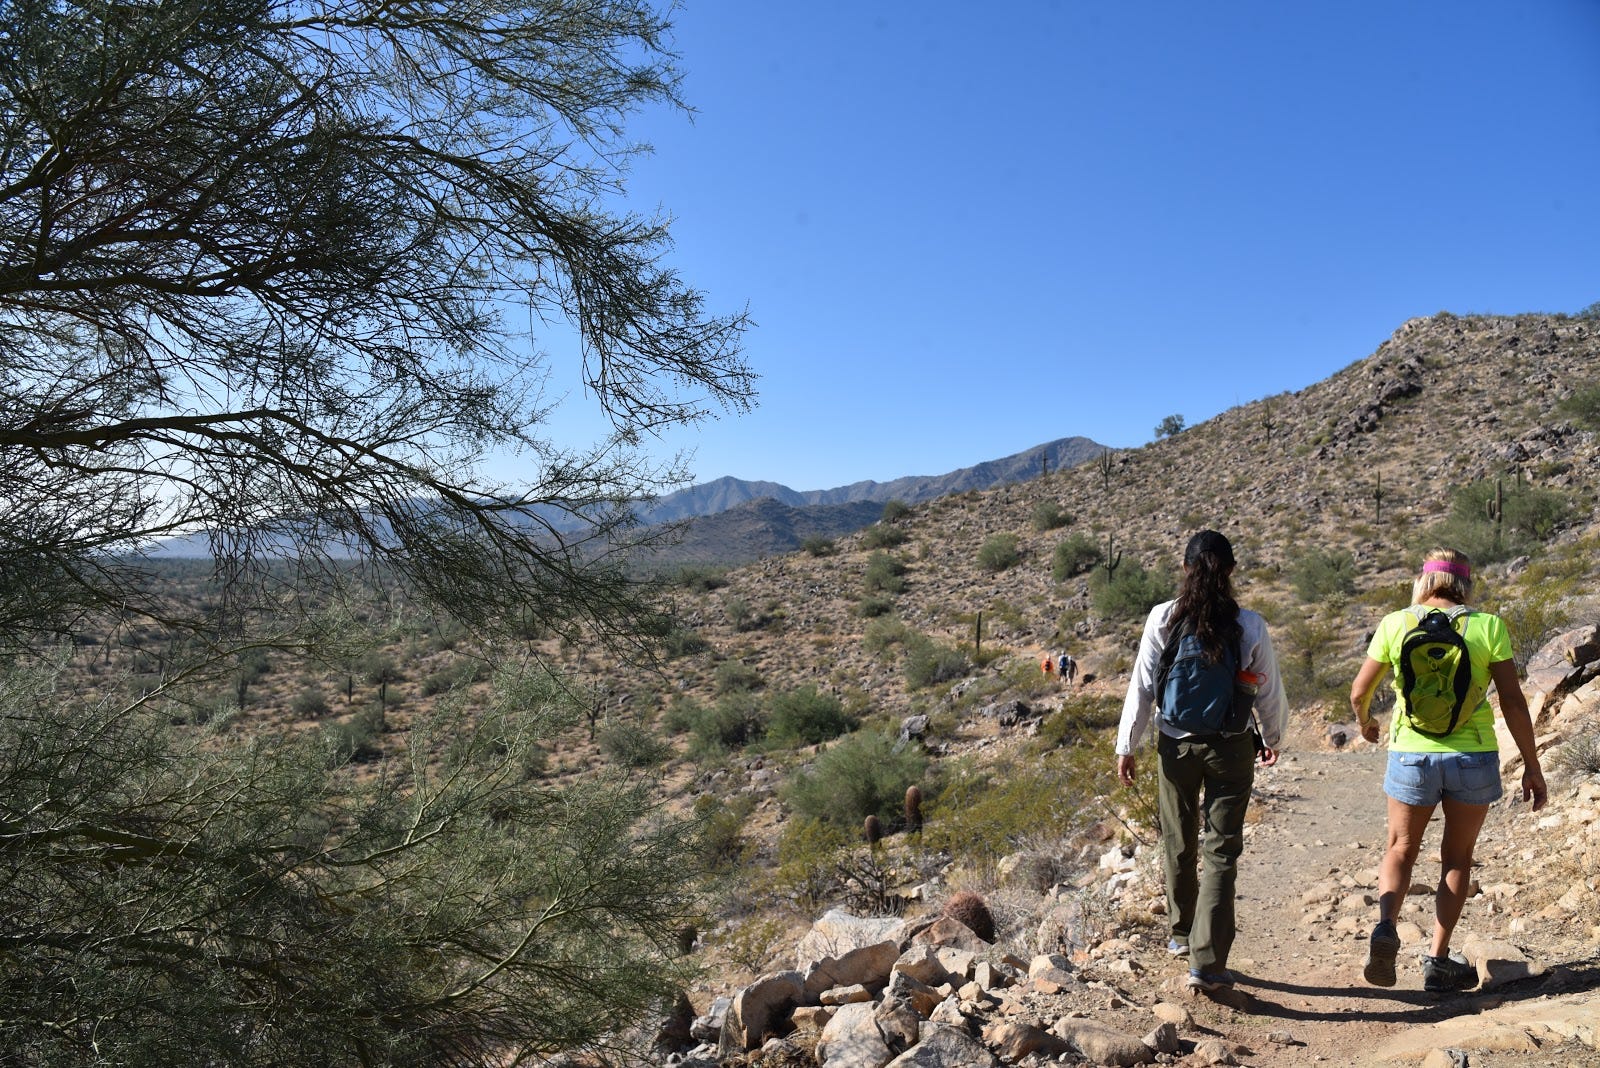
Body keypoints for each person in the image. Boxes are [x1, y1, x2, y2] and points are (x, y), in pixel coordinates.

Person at [1350, 548, 1548, 994]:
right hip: (1472, 756)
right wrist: (1531, 766)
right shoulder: (1488, 626)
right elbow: (1513, 701)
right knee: (1457, 858)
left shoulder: (1396, 623)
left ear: (1423, 582)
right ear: (1465, 584)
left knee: (1400, 848)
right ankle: (1437, 962)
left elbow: (1359, 691)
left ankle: (1386, 926)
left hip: (1411, 754)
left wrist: (1365, 723)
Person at [1115, 530, 1286, 993]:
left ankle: (1180, 934)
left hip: (1176, 747)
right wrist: (1272, 737)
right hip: (1231, 746)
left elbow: (1143, 686)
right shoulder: (1249, 624)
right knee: (1221, 851)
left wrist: (1127, 745)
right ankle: (1208, 963)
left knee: (1179, 839)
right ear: (1230, 571)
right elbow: (1268, 689)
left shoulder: (1162, 617)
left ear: (1185, 568)